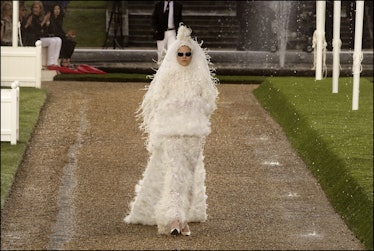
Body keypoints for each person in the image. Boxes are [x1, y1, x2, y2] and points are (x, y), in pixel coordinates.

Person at [124, 24, 219, 236]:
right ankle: (174, 217)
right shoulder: (168, 75)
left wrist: (194, 107)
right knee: (176, 174)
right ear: (174, 54)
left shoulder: (200, 77)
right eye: (180, 54)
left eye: (187, 54)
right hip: (172, 130)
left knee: (189, 174)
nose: (184, 57)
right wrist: (176, 107)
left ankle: (182, 218)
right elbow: (156, 101)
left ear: (193, 55)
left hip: (194, 132)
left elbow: (209, 102)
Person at [21, 1, 62, 67]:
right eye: (34, 7)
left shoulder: (40, 17)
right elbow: (35, 30)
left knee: (58, 40)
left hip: (40, 38)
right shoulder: (30, 17)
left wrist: (47, 23)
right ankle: (50, 62)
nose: (35, 9)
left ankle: (55, 61)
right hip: (33, 39)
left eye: (37, 8)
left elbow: (44, 31)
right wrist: (44, 21)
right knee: (52, 41)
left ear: (40, 9)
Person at [151, 0, 183, 65]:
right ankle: (160, 71)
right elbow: (154, 18)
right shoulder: (158, 5)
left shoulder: (178, 5)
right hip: (161, 32)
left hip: (172, 31)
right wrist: (155, 29)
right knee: (161, 53)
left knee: (172, 51)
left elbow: (180, 19)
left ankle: (170, 71)